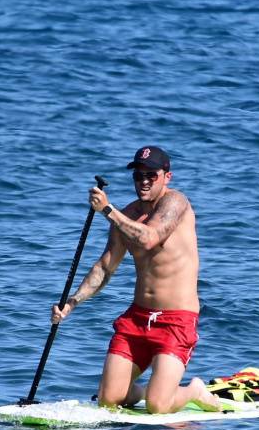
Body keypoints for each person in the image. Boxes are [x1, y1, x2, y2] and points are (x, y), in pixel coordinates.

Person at [51, 146, 220, 413]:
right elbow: (106, 267)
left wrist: (107, 209)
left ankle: (192, 391)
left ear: (167, 177)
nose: (143, 181)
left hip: (177, 319)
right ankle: (147, 390)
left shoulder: (176, 203)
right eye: (138, 175)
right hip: (138, 318)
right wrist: (71, 303)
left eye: (151, 175)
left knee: (158, 405)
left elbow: (150, 238)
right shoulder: (127, 215)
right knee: (108, 399)